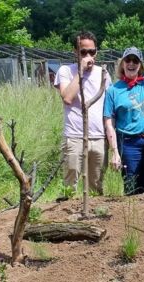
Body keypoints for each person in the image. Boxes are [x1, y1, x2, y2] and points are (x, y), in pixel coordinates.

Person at [103, 16, 144, 195]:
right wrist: (115, 152)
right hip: (129, 143)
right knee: (131, 185)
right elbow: (109, 123)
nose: (131, 63)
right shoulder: (113, 91)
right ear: (122, 63)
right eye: (128, 60)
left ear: (140, 65)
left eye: (135, 61)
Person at [54, 31, 112, 195]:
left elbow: (108, 105)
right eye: (83, 52)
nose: (88, 56)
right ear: (75, 51)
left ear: (96, 52)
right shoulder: (66, 71)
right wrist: (80, 71)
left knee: (96, 184)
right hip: (74, 136)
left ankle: (94, 217)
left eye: (92, 52)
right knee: (70, 183)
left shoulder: (104, 74)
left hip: (99, 137)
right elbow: (67, 97)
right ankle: (66, 215)